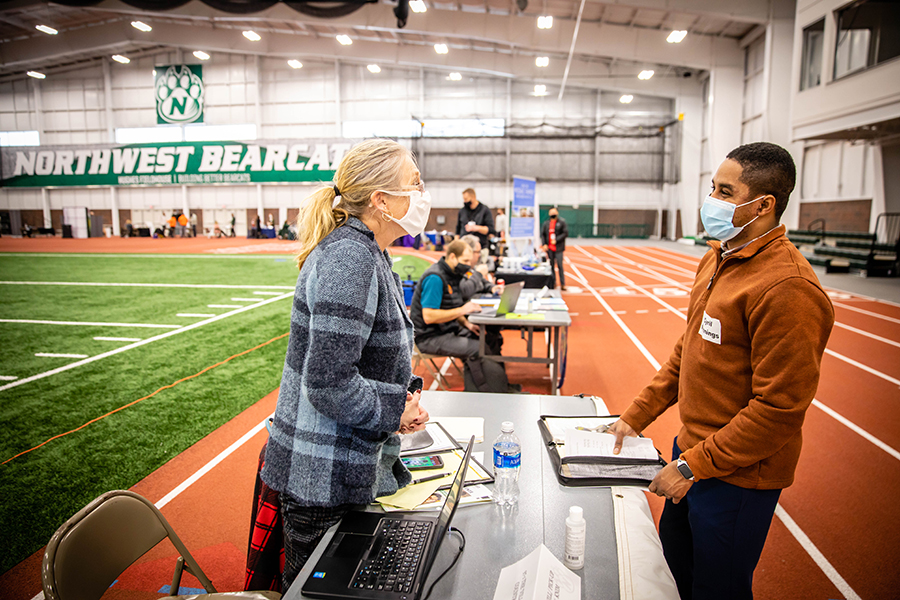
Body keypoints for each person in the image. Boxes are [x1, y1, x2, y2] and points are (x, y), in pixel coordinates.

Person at [607, 142, 834, 600]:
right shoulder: (717, 257)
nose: (710, 199)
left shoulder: (788, 289)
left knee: (719, 590)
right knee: (675, 577)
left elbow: (778, 411)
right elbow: (688, 351)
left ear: (764, 205)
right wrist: (635, 416)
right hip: (693, 454)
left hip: (737, 478)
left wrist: (691, 467)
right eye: (712, 187)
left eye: (725, 191)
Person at [260, 139, 431, 591]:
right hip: (323, 480)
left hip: (343, 465)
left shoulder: (370, 252)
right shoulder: (350, 259)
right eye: (413, 185)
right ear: (381, 200)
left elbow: (368, 356)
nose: (421, 196)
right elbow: (330, 383)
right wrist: (395, 409)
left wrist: (403, 398)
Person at [410, 240, 502, 359]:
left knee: (488, 338)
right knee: (478, 349)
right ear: (453, 257)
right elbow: (429, 316)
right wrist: (463, 310)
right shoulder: (435, 278)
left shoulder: (453, 274)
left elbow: (450, 305)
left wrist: (467, 324)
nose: (468, 265)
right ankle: (487, 377)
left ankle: (490, 376)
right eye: (465, 261)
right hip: (429, 337)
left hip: (447, 329)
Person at [458, 234, 501, 301]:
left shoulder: (471, 269)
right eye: (478, 252)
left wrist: (492, 288)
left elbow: (483, 283)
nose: (479, 255)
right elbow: (465, 292)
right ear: (469, 252)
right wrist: (478, 273)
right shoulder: (459, 270)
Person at [541, 207, 568, 290]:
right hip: (549, 248)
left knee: (560, 266)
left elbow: (565, 233)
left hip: (558, 248)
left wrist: (556, 240)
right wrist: (544, 244)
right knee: (551, 266)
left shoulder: (562, 222)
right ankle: (553, 283)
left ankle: (563, 284)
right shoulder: (546, 224)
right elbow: (543, 235)